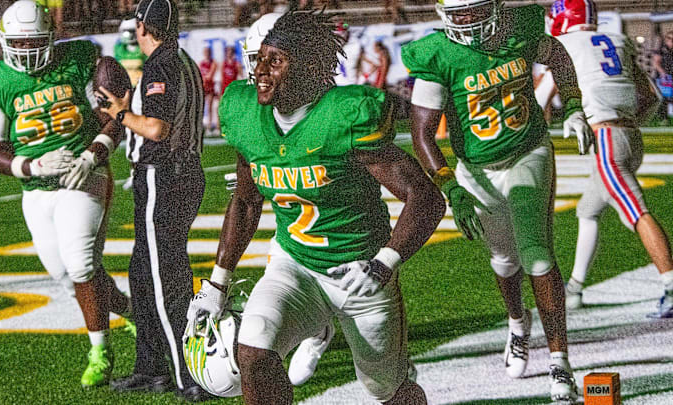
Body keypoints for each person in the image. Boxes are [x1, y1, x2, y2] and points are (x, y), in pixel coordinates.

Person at [187, 10, 445, 404]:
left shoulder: (343, 117)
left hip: (358, 273)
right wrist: (217, 282)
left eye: (277, 60)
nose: (261, 70)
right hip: (295, 264)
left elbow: (425, 198)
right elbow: (245, 198)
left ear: (308, 67)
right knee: (254, 348)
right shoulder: (245, 114)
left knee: (386, 388)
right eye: (260, 59)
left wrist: (384, 263)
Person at [402, 0, 595, 402]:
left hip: (528, 150)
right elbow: (422, 133)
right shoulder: (438, 53)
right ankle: (516, 323)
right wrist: (450, 186)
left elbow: (557, 54)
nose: (468, 21)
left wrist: (574, 107)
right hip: (476, 168)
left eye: (475, 10)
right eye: (460, 14)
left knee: (537, 255)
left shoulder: (517, 28)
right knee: (504, 260)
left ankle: (560, 361)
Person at [0, 0, 133, 388]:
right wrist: (31, 166)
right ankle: (131, 312)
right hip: (36, 189)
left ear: (52, 37)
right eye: (19, 44)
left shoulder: (77, 60)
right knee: (63, 274)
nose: (26, 51)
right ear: (5, 41)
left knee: (81, 266)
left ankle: (100, 352)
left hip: (81, 178)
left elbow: (114, 118)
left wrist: (93, 155)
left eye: (35, 42)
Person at [96, 0, 209, 401]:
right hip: (182, 173)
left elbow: (157, 128)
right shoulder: (181, 60)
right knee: (142, 276)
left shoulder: (160, 66)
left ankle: (189, 375)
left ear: (143, 26)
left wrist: (119, 113)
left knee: (166, 282)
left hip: (164, 177)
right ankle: (151, 367)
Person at [545, 0, 673, 318]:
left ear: (563, 18)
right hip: (630, 138)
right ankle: (574, 288)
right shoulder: (616, 40)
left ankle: (671, 285)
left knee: (636, 212)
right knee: (587, 210)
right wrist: (623, 121)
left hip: (605, 142)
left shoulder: (563, 44)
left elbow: (539, 99)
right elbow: (652, 97)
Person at [114, 18, 147, 87]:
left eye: (131, 32)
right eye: (125, 32)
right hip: (125, 87)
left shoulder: (144, 49)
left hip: (141, 85)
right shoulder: (119, 49)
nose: (128, 35)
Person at [199, 46, 218, 135]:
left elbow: (210, 76)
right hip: (203, 87)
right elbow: (199, 75)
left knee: (209, 107)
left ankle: (209, 126)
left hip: (209, 88)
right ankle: (202, 125)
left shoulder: (213, 63)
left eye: (208, 52)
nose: (207, 53)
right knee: (201, 107)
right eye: (205, 52)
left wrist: (204, 78)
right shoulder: (201, 63)